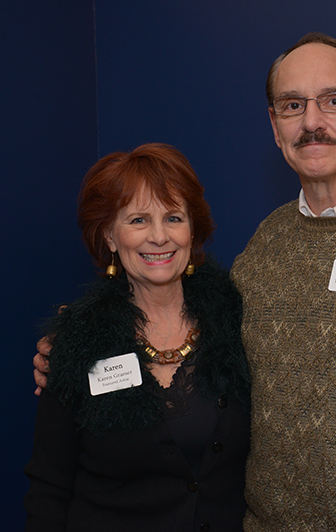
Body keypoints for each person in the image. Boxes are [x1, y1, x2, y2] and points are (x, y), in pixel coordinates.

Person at [35, 34, 336, 531]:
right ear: (275, 127)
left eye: (335, 101)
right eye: (293, 105)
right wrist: (75, 346)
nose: (312, 122)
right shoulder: (264, 249)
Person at [24, 143, 250, 532]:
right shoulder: (78, 343)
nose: (159, 237)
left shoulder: (236, 322)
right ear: (110, 236)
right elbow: (50, 486)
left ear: (192, 230)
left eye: (174, 217)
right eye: (138, 221)